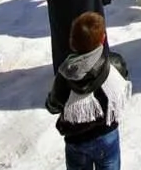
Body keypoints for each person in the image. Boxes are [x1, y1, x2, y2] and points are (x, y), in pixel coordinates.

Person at [46, 12, 131, 170]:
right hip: (107, 134)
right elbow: (124, 77)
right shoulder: (114, 64)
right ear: (103, 39)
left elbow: (54, 105)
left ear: (72, 42)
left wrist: (52, 103)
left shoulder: (65, 75)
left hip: (76, 139)